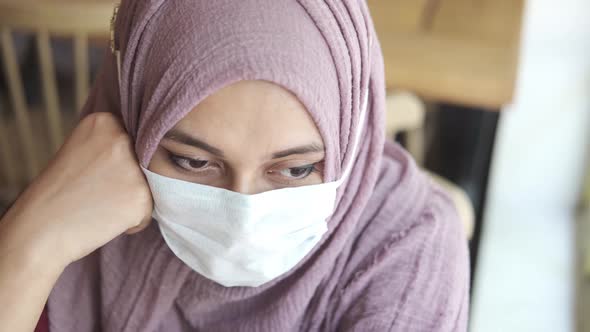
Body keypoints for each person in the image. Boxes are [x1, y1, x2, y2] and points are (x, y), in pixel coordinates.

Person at [0, 0, 470, 331]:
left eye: (296, 170)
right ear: (133, 114)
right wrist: (30, 244)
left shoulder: (406, 251)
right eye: (193, 161)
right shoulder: (88, 207)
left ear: (349, 131)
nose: (242, 214)